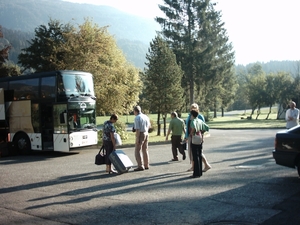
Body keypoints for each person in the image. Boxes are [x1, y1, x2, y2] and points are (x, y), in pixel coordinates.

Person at [184, 103, 211, 172]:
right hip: (190, 136)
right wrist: (186, 136)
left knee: (198, 152)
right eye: (192, 108)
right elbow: (187, 127)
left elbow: (203, 127)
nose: (193, 109)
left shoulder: (200, 116)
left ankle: (206, 165)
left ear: (197, 109)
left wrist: (202, 136)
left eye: (194, 108)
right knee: (191, 153)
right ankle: (193, 166)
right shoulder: (189, 116)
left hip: (197, 136)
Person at [133, 105, 151, 171]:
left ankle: (140, 165)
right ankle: (146, 164)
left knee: (137, 150)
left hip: (141, 133)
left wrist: (137, 138)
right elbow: (149, 126)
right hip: (146, 132)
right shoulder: (146, 116)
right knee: (145, 149)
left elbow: (137, 129)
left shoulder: (137, 118)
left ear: (135, 111)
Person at [189, 109, 205, 178]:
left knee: (195, 156)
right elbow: (205, 128)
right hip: (200, 138)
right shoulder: (200, 121)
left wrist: (191, 134)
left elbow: (193, 129)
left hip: (195, 139)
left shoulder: (193, 121)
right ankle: (200, 172)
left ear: (192, 115)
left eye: (190, 115)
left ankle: (196, 173)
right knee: (200, 154)